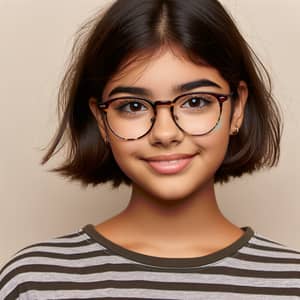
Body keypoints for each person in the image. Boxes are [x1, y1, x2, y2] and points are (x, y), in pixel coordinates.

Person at [1, 0, 299, 299]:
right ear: (101, 120)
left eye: (195, 101)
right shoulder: (35, 282)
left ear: (238, 108)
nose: (165, 133)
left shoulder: (291, 283)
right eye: (132, 106)